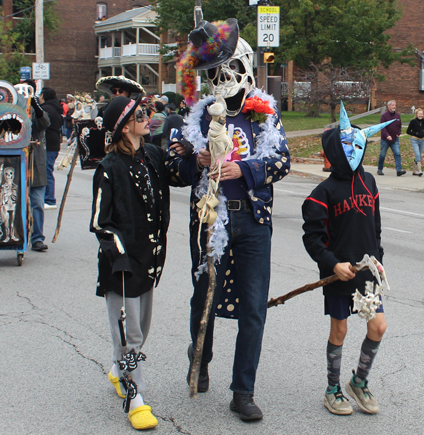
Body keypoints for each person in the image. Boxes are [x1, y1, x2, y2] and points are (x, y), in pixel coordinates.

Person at [167, 19, 290, 421]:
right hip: (209, 218)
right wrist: (195, 161)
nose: (221, 79)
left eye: (228, 70)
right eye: (214, 73)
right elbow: (175, 166)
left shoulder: (265, 114)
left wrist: (247, 170)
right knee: (203, 294)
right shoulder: (198, 115)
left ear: (244, 67)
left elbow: (282, 161)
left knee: (254, 306)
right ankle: (199, 356)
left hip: (252, 221)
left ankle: (243, 391)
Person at [90, 95, 188, 430]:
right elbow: (99, 223)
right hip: (122, 266)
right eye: (140, 114)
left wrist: (196, 155)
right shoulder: (109, 168)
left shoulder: (154, 155)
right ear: (124, 125)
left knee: (140, 330)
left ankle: (118, 370)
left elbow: (179, 176)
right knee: (130, 334)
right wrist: (118, 255)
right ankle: (136, 397)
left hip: (150, 261)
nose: (148, 117)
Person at [302, 102, 392, 416]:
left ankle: (360, 381)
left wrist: (378, 259)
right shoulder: (321, 194)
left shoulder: (369, 182)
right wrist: (331, 264)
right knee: (339, 330)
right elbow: (312, 238)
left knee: (378, 327)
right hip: (339, 273)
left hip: (368, 273)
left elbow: (375, 227)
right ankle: (332, 389)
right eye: (346, 146)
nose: (353, 151)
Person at [23, 79, 51, 251]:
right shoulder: (14, 110)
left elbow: (45, 123)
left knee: (37, 202)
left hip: (35, 164)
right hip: (18, 162)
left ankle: (37, 238)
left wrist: (36, 106)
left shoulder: (37, 110)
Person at [39, 87, 63, 210]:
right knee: (47, 170)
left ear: (43, 95)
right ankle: (48, 198)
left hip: (48, 143)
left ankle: (49, 199)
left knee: (46, 171)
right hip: (54, 142)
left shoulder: (46, 109)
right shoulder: (56, 108)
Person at [377, 100, 405, 176]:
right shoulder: (384, 116)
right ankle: (379, 169)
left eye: (395, 105)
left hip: (395, 139)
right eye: (392, 105)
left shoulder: (397, 116)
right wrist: (387, 135)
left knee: (397, 153)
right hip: (385, 139)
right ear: (388, 106)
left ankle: (399, 170)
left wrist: (398, 133)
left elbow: (399, 126)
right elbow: (382, 127)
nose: (394, 106)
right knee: (382, 155)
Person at [406, 107, 424, 176]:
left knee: (419, 155)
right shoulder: (413, 121)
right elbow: (408, 131)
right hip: (414, 139)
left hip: (422, 140)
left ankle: (414, 170)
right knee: (417, 154)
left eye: (422, 114)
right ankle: (419, 170)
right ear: (416, 114)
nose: (421, 115)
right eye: (419, 114)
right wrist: (416, 133)